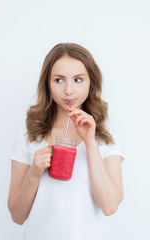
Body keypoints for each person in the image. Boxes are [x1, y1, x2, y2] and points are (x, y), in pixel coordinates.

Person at [8, 43, 124, 240]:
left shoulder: (104, 135)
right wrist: (34, 173)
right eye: (59, 80)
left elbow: (110, 206)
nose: (68, 90)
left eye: (78, 80)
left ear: (91, 82)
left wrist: (90, 144)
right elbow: (17, 216)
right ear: (47, 83)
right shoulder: (29, 134)